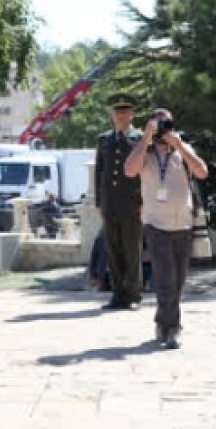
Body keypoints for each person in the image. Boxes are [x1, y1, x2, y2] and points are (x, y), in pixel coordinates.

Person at [123, 108, 208, 349]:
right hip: (156, 224)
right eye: (158, 124)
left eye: (166, 124)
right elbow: (129, 170)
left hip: (182, 222)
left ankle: (162, 321)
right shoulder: (145, 152)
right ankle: (173, 329)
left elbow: (202, 171)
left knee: (179, 279)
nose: (163, 129)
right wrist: (146, 137)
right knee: (165, 277)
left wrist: (179, 145)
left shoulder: (181, 150)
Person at [95, 94, 144, 310]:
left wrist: (143, 201)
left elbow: (144, 172)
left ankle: (133, 295)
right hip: (110, 203)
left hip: (132, 203)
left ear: (131, 114)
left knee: (132, 250)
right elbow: (99, 172)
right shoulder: (104, 139)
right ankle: (118, 295)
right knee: (113, 250)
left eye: (125, 111)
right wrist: (99, 201)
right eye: (117, 112)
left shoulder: (140, 138)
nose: (121, 115)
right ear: (113, 115)